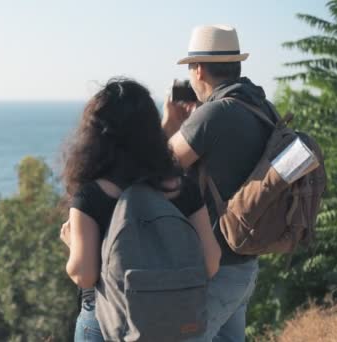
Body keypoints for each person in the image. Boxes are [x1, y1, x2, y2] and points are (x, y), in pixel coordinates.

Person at [60, 77, 221, 341]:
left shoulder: (91, 195)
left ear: (96, 135)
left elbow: (84, 274)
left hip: (106, 323)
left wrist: (70, 243)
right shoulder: (182, 188)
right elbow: (211, 262)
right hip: (175, 323)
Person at [164, 25, 274, 341]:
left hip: (216, 270)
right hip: (245, 262)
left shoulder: (213, 114)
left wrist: (169, 124)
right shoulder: (260, 105)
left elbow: (159, 169)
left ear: (198, 69)